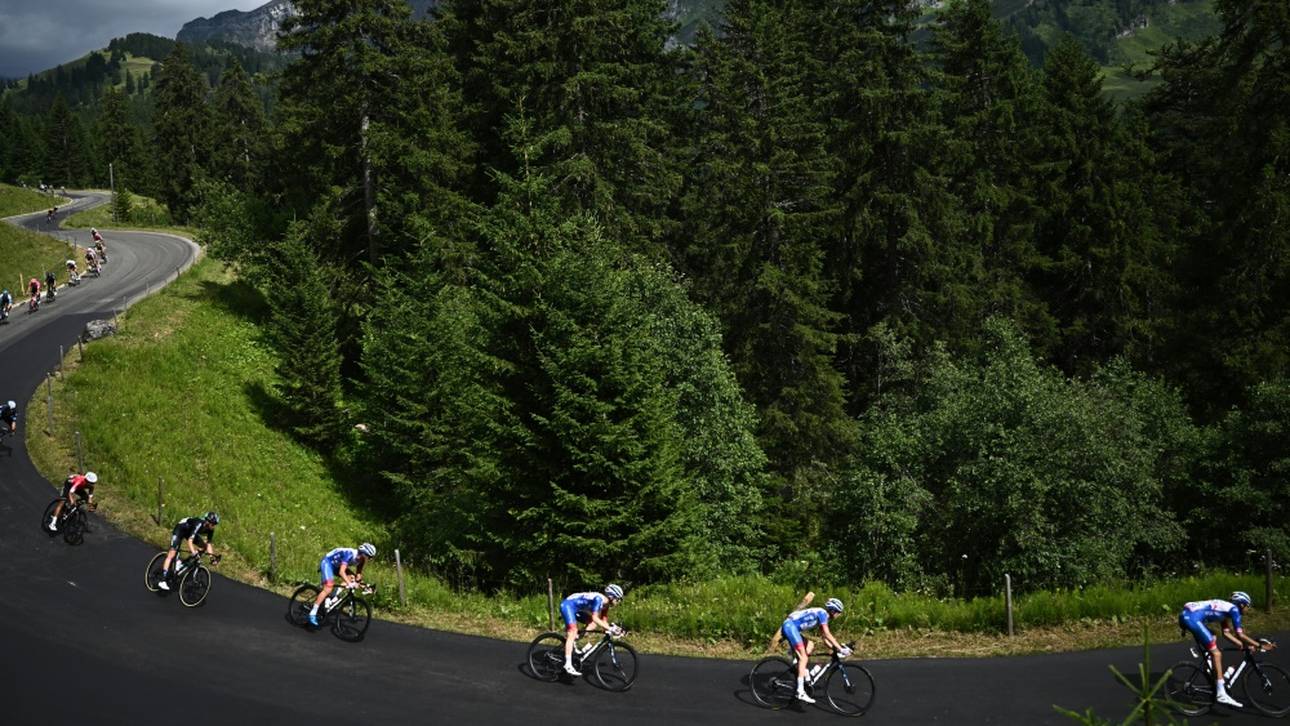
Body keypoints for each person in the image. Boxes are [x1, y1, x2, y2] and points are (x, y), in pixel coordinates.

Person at [1179, 591, 1277, 707]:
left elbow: (1226, 634)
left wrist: (1242, 645)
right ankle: (1221, 694)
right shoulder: (1234, 610)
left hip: (1187, 616)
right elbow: (1240, 634)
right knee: (1217, 654)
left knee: (1213, 637)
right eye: (1248, 606)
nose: (1248, 609)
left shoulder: (1225, 610)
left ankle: (1209, 664)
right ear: (1242, 604)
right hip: (1192, 618)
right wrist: (1259, 645)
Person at [780, 598, 850, 703]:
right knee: (804, 657)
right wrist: (840, 649)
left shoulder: (823, 616)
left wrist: (836, 648)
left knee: (810, 646)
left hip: (792, 627)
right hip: (790, 626)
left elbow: (824, 638)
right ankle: (800, 692)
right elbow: (827, 634)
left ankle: (799, 666)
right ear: (833, 611)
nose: (839, 615)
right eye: (839, 612)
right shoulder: (822, 614)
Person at [559, 584, 625, 677]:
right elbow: (595, 617)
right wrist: (610, 628)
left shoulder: (606, 606)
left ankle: (574, 641)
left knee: (592, 624)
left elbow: (603, 622)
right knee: (573, 631)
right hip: (568, 605)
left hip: (577, 608)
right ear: (611, 596)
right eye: (617, 599)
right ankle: (568, 665)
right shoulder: (599, 599)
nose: (618, 602)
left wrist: (615, 630)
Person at [308, 543, 376, 627]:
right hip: (328, 563)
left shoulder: (361, 560)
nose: (370, 559)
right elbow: (341, 572)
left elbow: (358, 573)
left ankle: (333, 596)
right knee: (328, 587)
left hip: (337, 566)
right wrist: (349, 583)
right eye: (369, 557)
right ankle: (312, 613)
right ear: (363, 553)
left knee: (352, 578)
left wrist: (360, 581)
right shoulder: (350, 554)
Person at [158, 512, 220, 591]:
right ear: (208, 522)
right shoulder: (199, 523)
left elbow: (209, 544)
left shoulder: (211, 529)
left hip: (189, 532)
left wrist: (212, 557)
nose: (214, 526)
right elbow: (190, 541)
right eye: (213, 524)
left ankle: (183, 563)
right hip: (180, 529)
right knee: (172, 553)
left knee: (204, 546)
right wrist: (194, 552)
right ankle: (162, 580)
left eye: (215, 524)